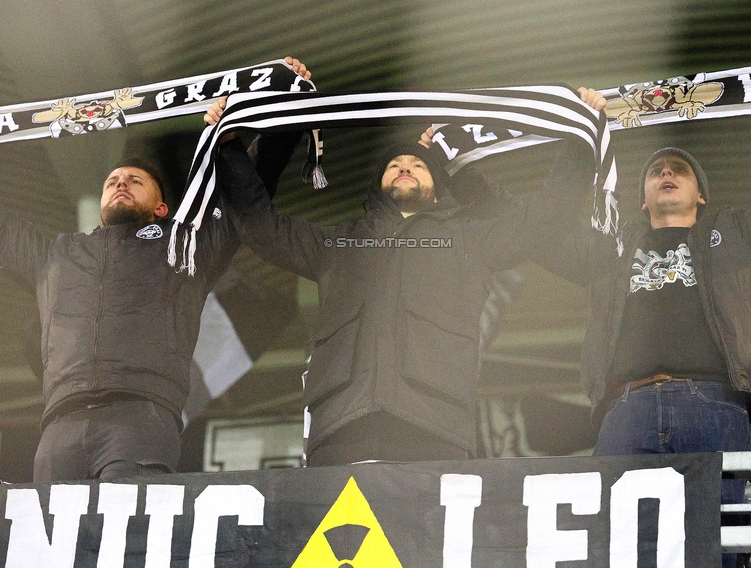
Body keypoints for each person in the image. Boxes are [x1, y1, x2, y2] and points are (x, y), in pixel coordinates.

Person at [0, 57, 312, 481]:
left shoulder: (185, 248)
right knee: (50, 543)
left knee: (124, 544)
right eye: (113, 181)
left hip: (140, 418)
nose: (120, 182)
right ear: (102, 204)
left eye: (135, 180)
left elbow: (246, 200)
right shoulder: (55, 255)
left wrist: (283, 114)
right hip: (59, 424)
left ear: (162, 208)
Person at [531, 59, 751, 527]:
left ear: (702, 195)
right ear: (642, 198)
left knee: (717, 545)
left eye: (679, 169)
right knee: (615, 549)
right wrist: (578, 143)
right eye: (656, 170)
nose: (666, 173)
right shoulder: (611, 247)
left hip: (714, 407)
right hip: (625, 409)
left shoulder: (739, 233)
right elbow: (539, 232)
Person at [209, 88, 607, 466]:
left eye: (418, 164)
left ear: (436, 190)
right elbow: (261, 226)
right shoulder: (338, 244)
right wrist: (227, 148)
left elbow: (543, 220)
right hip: (341, 428)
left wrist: (579, 141)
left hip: (434, 427)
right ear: (378, 186)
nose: (404, 167)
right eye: (394, 165)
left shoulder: (469, 239)